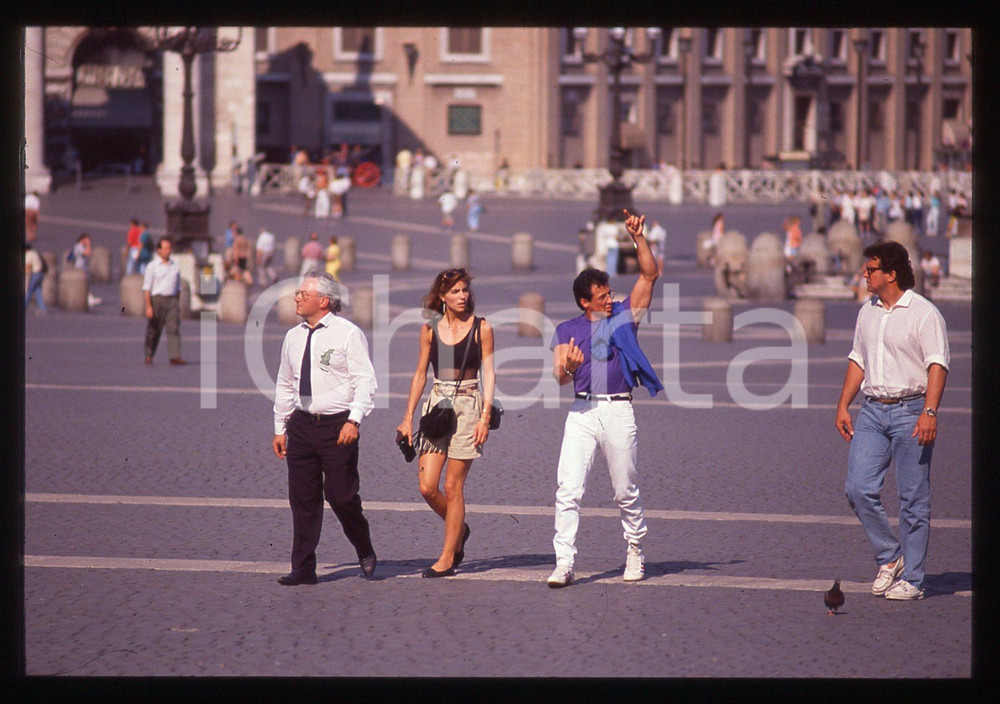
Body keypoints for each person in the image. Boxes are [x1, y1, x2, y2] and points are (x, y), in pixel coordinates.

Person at [547, 210, 663, 588]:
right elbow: (558, 377)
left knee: (624, 488)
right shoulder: (567, 330)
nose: (609, 300)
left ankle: (635, 550)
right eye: (600, 297)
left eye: (609, 293)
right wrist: (569, 367)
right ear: (585, 302)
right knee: (569, 488)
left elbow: (649, 275)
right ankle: (564, 562)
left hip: (618, 409)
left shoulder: (625, 315)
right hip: (581, 411)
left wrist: (638, 238)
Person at [835, 240, 949, 601]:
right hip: (871, 410)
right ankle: (890, 555)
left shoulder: (924, 313)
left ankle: (914, 579)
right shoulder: (867, 311)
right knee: (857, 488)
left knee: (913, 499)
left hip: (911, 411)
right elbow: (858, 360)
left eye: (870, 270)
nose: (864, 275)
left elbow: (937, 365)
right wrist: (843, 406)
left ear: (892, 274)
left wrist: (930, 412)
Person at [272, 271, 378, 585]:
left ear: (324, 300)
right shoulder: (292, 336)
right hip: (302, 426)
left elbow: (365, 382)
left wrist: (354, 420)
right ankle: (303, 568)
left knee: (342, 496)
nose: (297, 297)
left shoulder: (348, 334)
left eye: (304, 293)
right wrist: (281, 427)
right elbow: (285, 383)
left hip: (338, 426)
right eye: (297, 292)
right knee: (302, 498)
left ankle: (364, 546)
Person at [397, 268, 496, 578]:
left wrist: (485, 416)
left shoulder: (482, 328)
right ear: (442, 296)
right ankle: (459, 528)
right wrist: (407, 417)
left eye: (465, 290)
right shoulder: (429, 329)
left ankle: (447, 557)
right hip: (437, 405)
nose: (462, 296)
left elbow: (490, 374)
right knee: (428, 487)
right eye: (455, 291)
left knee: (453, 488)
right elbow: (419, 374)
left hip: (469, 405)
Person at [142, 237, 185, 365]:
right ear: (158, 250)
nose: (167, 251)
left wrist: (177, 304)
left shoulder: (175, 265)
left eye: (169, 248)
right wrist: (149, 307)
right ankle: (149, 354)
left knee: (174, 328)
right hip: (157, 300)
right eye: (165, 248)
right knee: (154, 329)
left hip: (172, 300)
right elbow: (147, 289)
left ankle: (175, 356)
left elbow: (178, 288)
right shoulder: (152, 266)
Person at [71, 232, 101, 307]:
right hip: (79, 267)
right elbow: (88, 253)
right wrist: (88, 244)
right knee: (83, 283)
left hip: (83, 267)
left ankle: (89, 297)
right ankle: (88, 298)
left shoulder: (80, 246)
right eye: (87, 240)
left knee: (86, 282)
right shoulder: (79, 246)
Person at [24, 243, 47, 315]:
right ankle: (43, 308)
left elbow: (28, 266)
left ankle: (23, 307)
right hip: (41, 273)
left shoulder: (29, 254)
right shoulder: (35, 252)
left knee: (29, 290)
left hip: (36, 273)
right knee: (38, 291)